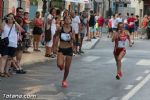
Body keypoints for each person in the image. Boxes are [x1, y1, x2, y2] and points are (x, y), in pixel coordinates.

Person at [55, 16, 74, 88]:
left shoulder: (72, 30)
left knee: (67, 68)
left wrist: (72, 37)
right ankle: (61, 66)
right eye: (66, 18)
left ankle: (64, 80)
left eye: (69, 19)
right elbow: (55, 36)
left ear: (70, 21)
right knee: (59, 64)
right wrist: (55, 47)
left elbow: (74, 41)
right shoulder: (60, 28)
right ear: (64, 20)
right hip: (61, 49)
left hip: (69, 49)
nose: (68, 20)